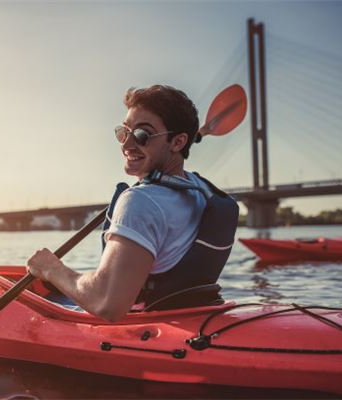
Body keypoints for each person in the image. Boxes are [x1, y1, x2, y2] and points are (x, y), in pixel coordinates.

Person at [27, 85, 238, 321]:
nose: (126, 145)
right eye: (124, 132)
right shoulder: (201, 189)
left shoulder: (140, 201)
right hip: (195, 316)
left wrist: (51, 269)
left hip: (153, 327)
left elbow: (107, 304)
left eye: (142, 135)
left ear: (178, 142)